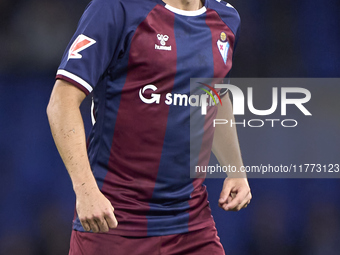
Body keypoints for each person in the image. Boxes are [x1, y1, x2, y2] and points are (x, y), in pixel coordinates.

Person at [47, 0, 252, 254]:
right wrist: (86, 191)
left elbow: (214, 94)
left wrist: (235, 169)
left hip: (190, 225)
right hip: (113, 223)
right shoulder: (116, 8)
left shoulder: (226, 18)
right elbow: (61, 103)